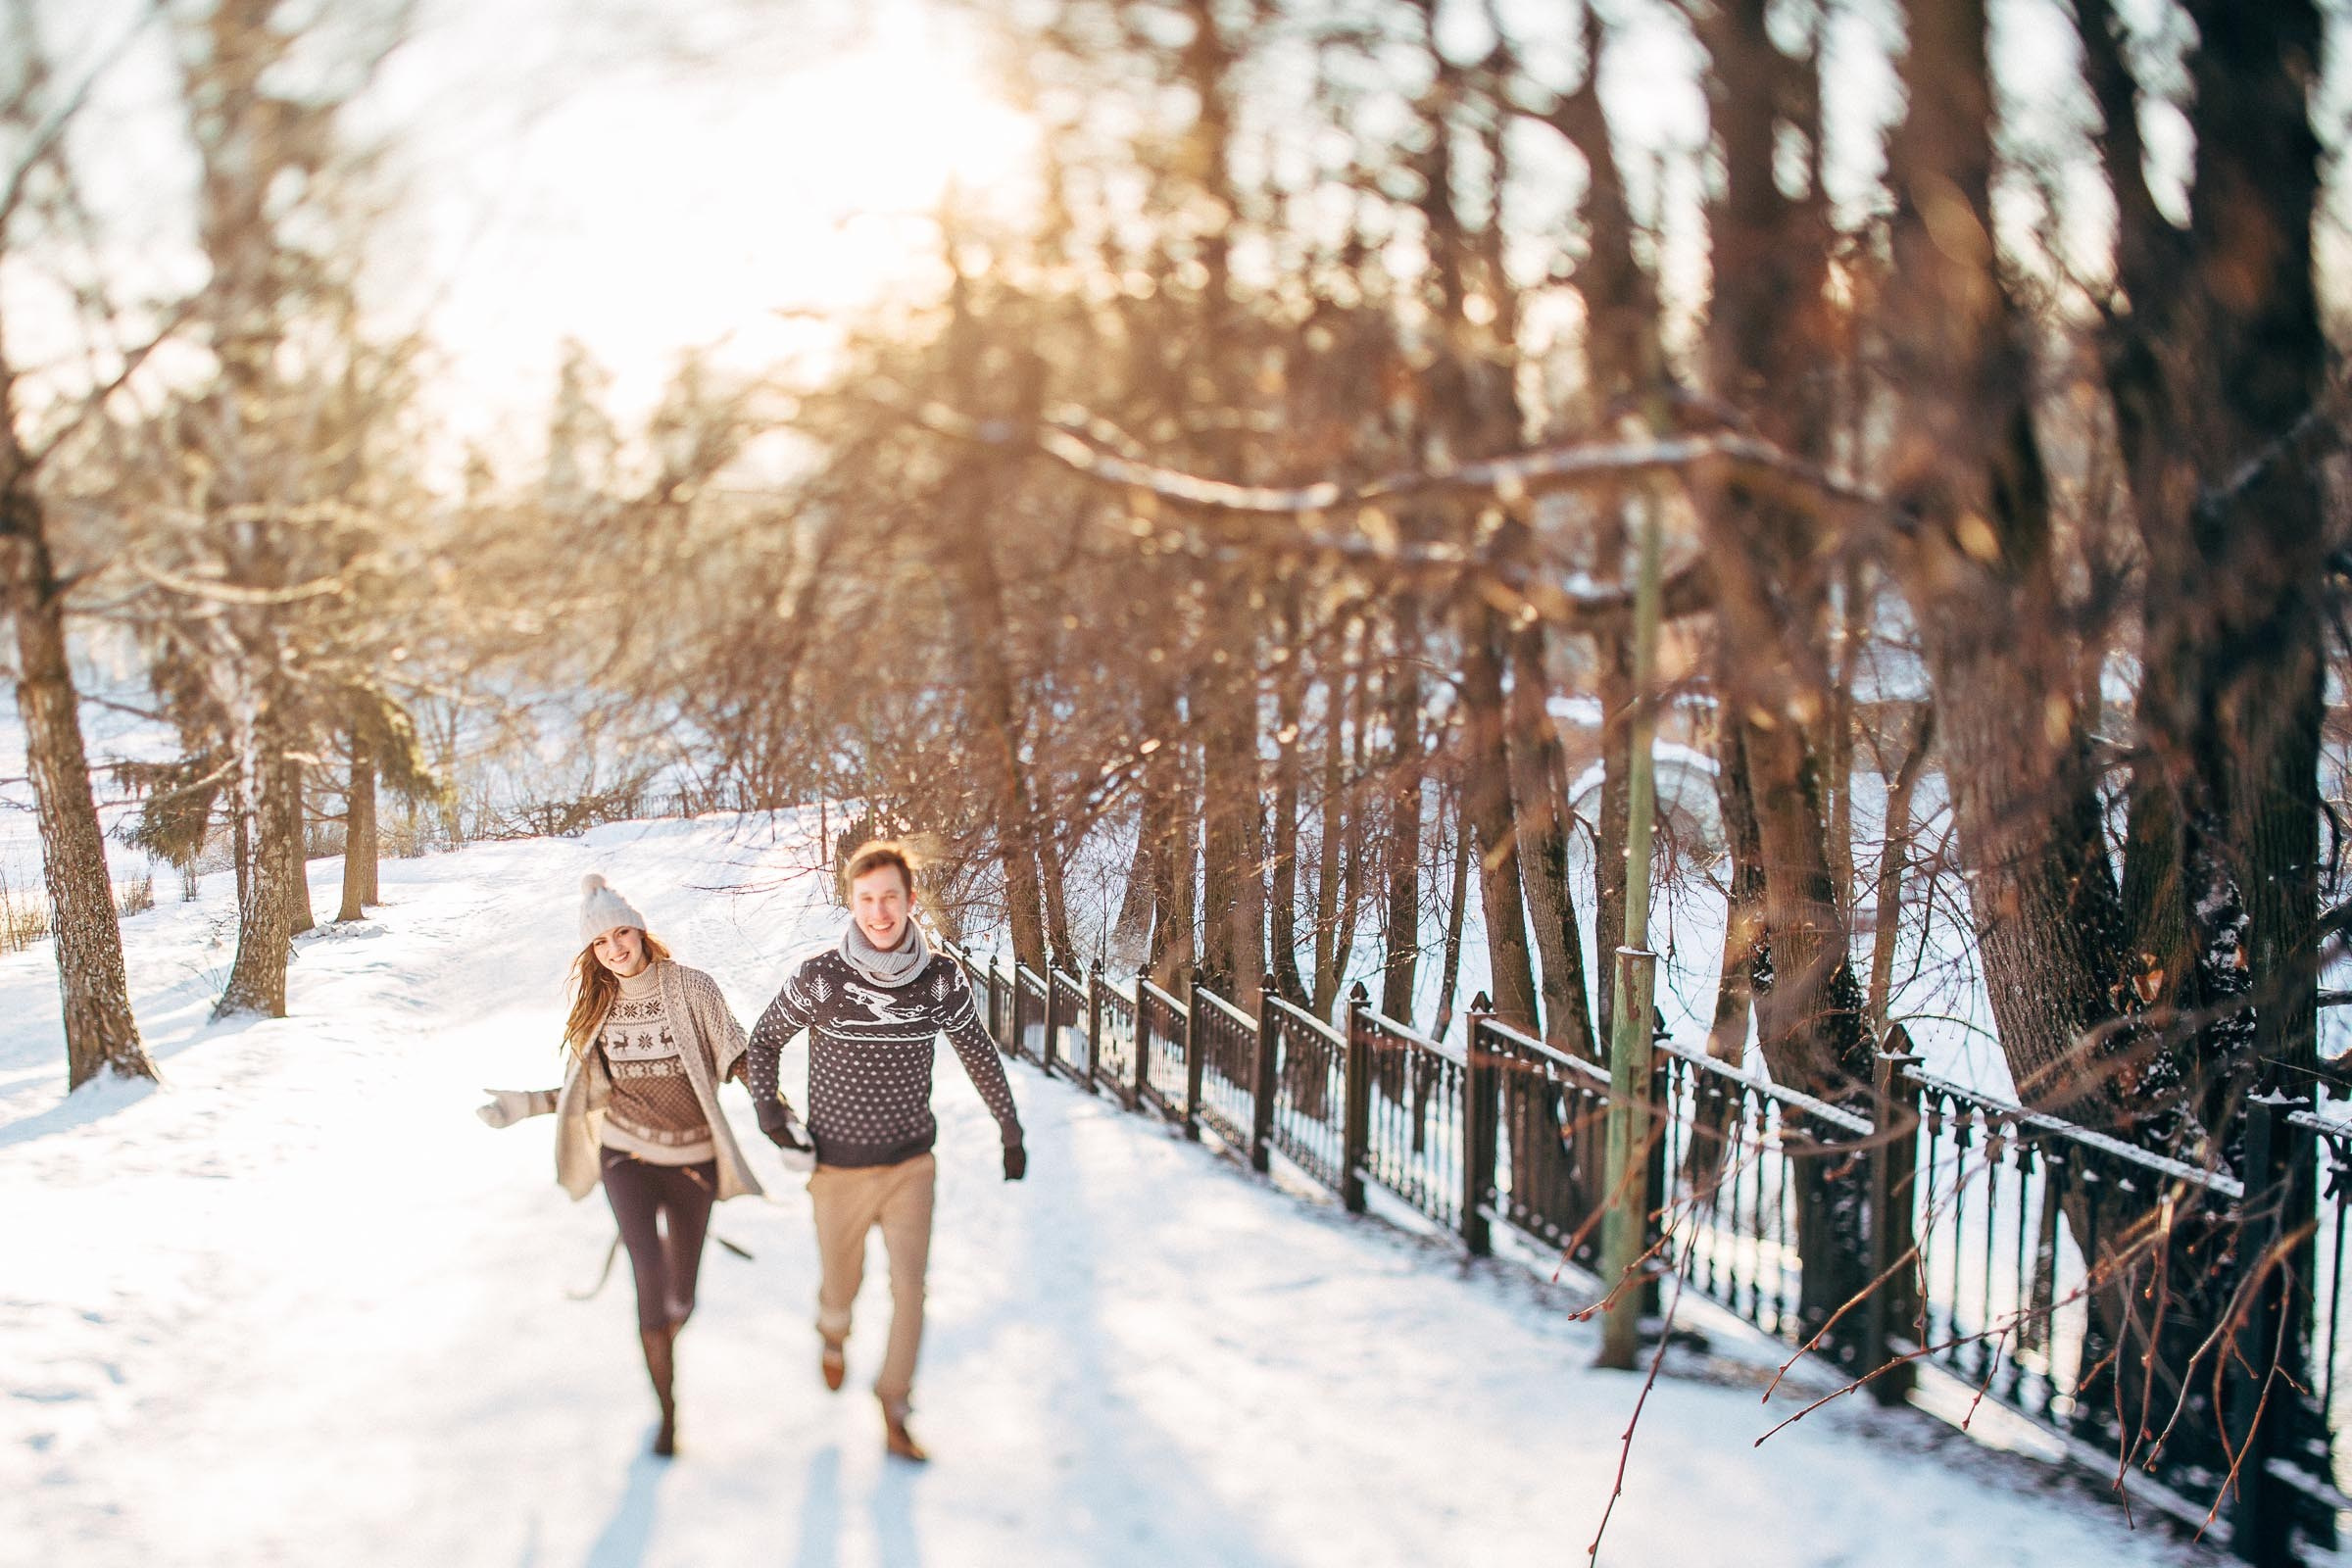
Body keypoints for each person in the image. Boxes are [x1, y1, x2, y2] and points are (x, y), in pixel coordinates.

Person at [476, 873, 778, 1457]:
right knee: (649, 1279)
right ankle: (668, 1413)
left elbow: (737, 1052)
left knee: (681, 1299)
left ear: (640, 931)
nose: (614, 948)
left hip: (692, 1159)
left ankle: (669, 1321)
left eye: (621, 933)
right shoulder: (598, 1006)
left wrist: (776, 1107)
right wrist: (523, 1106)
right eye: (600, 942)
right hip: (626, 1156)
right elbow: (585, 1091)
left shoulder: (691, 988)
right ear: (590, 951)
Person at [744, 839, 1026, 1463]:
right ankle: (833, 1334)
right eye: (866, 899)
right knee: (841, 1287)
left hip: (910, 1167)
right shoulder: (821, 978)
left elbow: (978, 1053)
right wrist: (772, 1116)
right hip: (837, 1171)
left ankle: (895, 1404)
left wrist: (1010, 1129)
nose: (879, 912)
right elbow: (762, 1042)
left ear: (910, 899)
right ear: (852, 902)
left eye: (889, 898)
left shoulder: (940, 980)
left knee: (911, 1291)